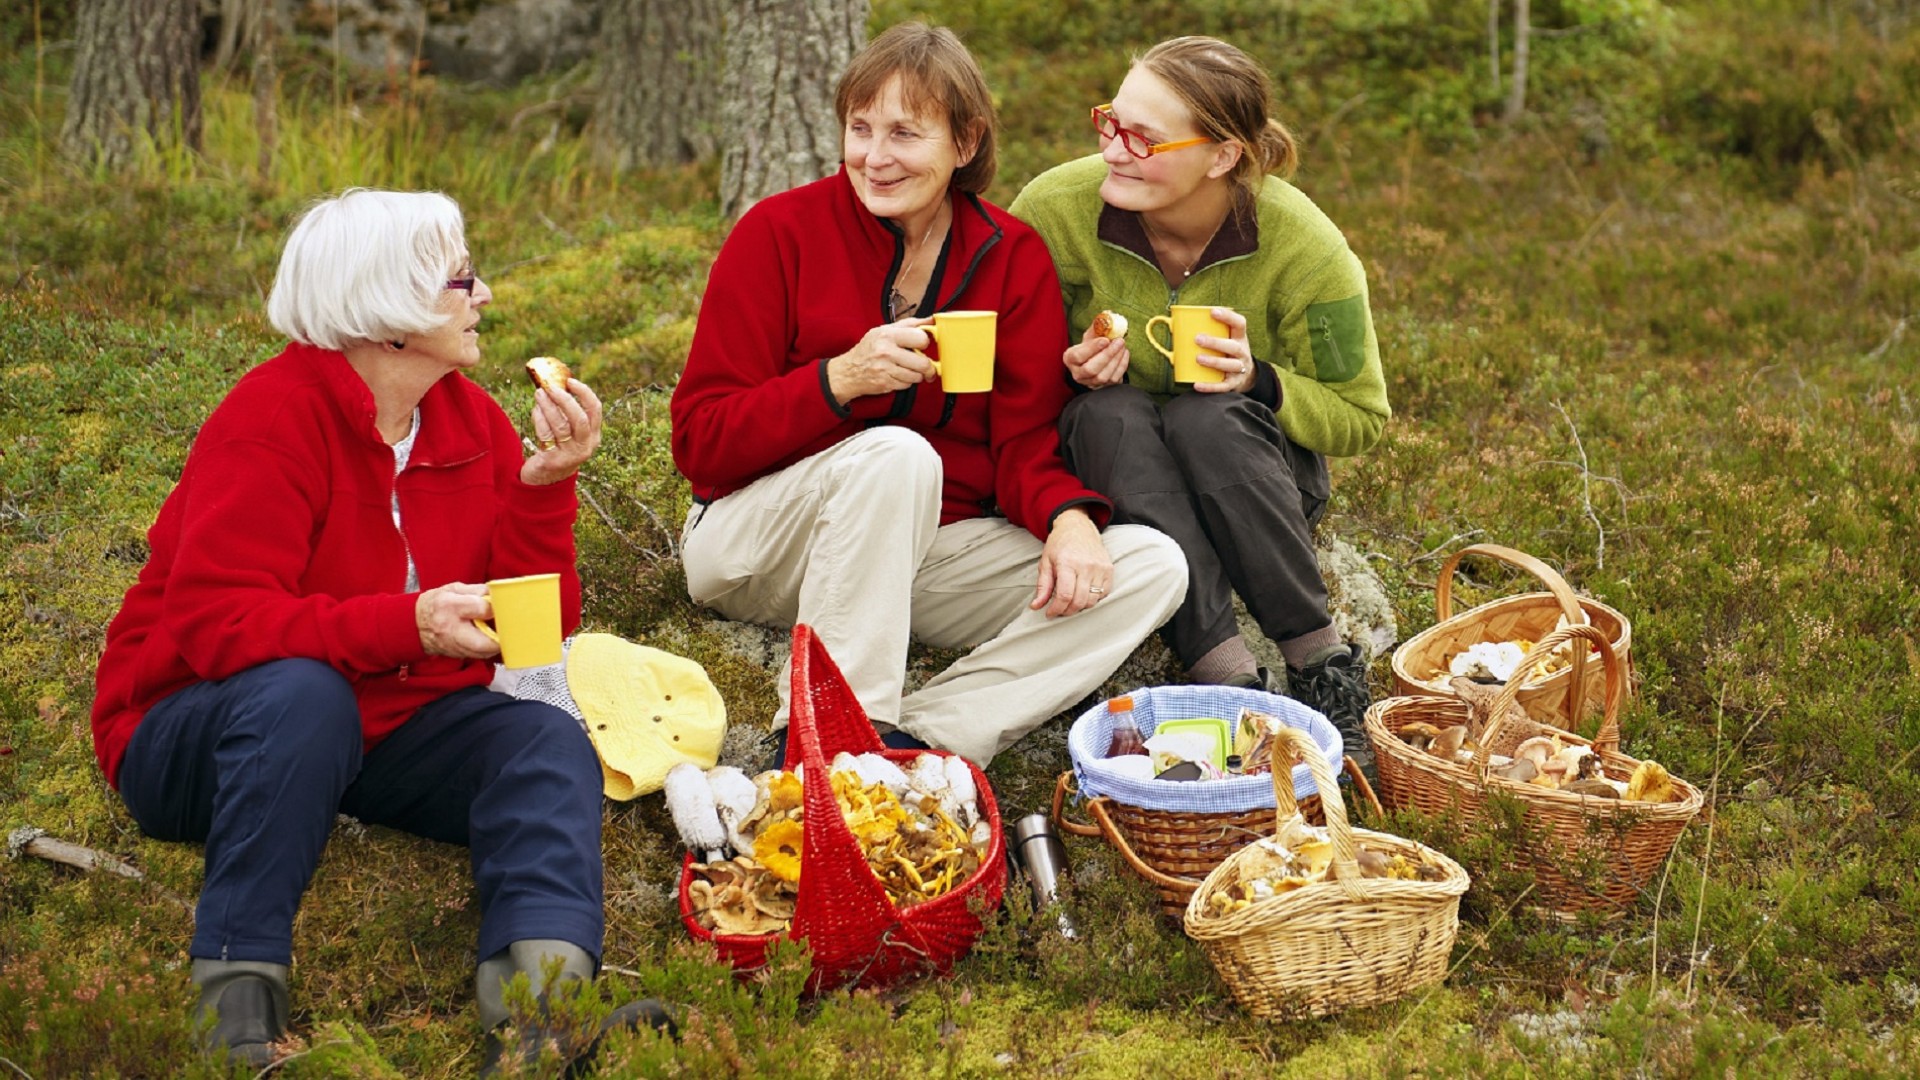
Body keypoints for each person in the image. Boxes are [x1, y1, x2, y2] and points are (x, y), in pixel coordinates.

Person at [88, 189, 667, 1071]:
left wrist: (546, 484)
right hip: (193, 730)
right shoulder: (272, 419)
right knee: (300, 694)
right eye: (459, 278)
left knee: (543, 737)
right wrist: (411, 623)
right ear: (388, 313)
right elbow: (216, 626)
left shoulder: (468, 419)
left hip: (375, 728)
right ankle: (237, 1020)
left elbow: (535, 629)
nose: (485, 296)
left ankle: (540, 1026)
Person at [670, 22, 1188, 767]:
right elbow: (701, 444)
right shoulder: (777, 234)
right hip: (754, 546)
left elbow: (1022, 443)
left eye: (905, 134)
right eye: (860, 128)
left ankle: (921, 739)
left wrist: (1068, 517)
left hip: (916, 560)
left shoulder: (1010, 258)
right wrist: (838, 381)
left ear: (966, 142)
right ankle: (822, 751)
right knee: (897, 454)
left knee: (1148, 565)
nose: (875, 158)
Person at [1009, 36, 1391, 770]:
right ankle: (1228, 681)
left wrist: (1262, 381)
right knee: (1105, 412)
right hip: (1114, 470)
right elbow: (1007, 377)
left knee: (1205, 414)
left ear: (1221, 156)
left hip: (1254, 482)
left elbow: (1361, 415)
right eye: (1108, 123)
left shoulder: (1305, 245)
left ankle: (1322, 665)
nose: (1115, 149)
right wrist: (1067, 375)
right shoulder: (1053, 212)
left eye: (1144, 138)